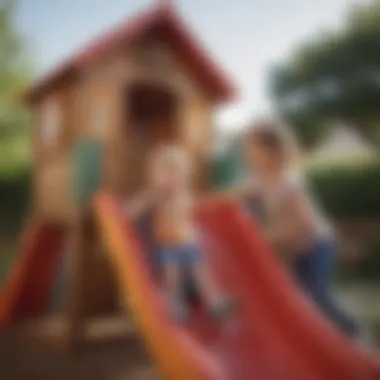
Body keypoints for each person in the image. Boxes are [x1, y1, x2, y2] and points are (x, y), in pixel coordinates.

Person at [239, 121, 361, 338]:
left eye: (254, 148)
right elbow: (243, 203)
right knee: (293, 294)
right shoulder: (256, 182)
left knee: (317, 291)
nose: (249, 154)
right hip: (295, 245)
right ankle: (317, 335)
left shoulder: (288, 181)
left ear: (274, 150)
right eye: (247, 149)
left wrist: (270, 236)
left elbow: (306, 224)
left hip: (318, 243)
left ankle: (352, 329)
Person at [125, 144, 233, 322]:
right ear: (154, 176)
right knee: (171, 276)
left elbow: (198, 211)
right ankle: (175, 304)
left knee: (202, 273)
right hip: (167, 246)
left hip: (189, 244)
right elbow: (133, 210)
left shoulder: (186, 194)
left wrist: (222, 202)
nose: (171, 177)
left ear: (185, 175)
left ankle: (215, 303)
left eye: (176, 172)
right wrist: (129, 210)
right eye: (165, 172)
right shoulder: (155, 195)